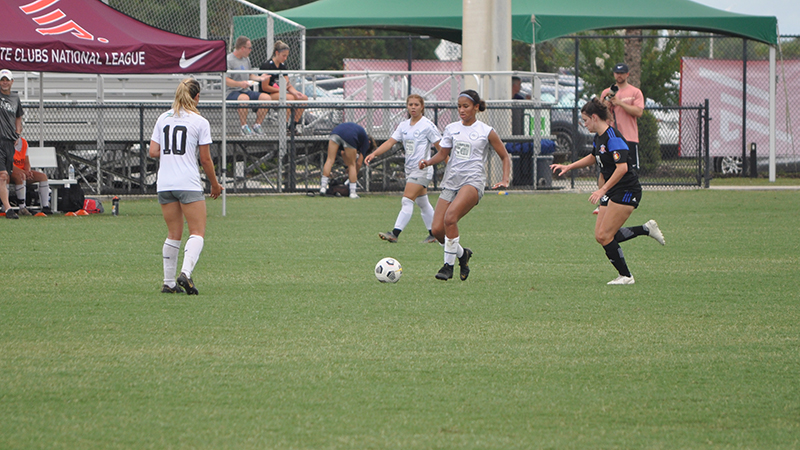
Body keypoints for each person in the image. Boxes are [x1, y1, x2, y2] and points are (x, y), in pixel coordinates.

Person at [550, 97, 665, 285]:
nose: (584, 124)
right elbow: (593, 156)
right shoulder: (600, 137)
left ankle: (626, 276)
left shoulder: (613, 138)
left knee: (605, 235)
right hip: (614, 190)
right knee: (601, 235)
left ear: (595, 117)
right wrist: (569, 167)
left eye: (585, 120)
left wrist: (601, 190)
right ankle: (645, 229)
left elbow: (622, 168)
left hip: (627, 190)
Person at [417, 90, 510, 281]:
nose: (461, 110)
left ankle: (447, 267)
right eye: (459, 106)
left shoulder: (486, 131)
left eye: (465, 106)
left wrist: (505, 179)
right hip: (451, 181)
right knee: (437, 230)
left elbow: (504, 156)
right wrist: (428, 161)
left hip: (473, 181)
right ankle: (462, 255)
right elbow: (443, 154)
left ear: (476, 107)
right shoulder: (451, 128)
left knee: (450, 218)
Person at [149, 78, 223, 295]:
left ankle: (168, 282)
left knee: (173, 233)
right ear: (197, 97)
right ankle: (186, 273)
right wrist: (215, 184)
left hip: (165, 183)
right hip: (187, 181)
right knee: (197, 232)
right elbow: (206, 160)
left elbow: (153, 151)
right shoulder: (200, 122)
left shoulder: (163, 118)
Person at [365, 94, 442, 244]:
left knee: (407, 200)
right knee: (422, 203)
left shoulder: (427, 125)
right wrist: (374, 153)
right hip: (410, 169)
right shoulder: (403, 125)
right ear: (407, 106)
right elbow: (390, 143)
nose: (413, 107)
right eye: (410, 104)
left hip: (423, 169)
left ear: (422, 107)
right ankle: (434, 234)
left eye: (416, 105)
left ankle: (394, 233)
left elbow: (441, 148)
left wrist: (450, 166)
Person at [226, 36, 272, 136]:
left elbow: (249, 75)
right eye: (249, 48)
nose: (250, 50)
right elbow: (226, 80)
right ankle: (244, 127)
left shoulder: (246, 59)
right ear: (242, 48)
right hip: (231, 92)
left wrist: (260, 78)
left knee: (266, 97)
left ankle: (257, 125)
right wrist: (240, 84)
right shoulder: (228, 60)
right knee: (244, 98)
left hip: (245, 90)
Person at [600, 63, 644, 169]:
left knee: (630, 169)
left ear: (627, 74)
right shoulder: (608, 92)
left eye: (622, 73)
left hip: (629, 137)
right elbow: (600, 113)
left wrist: (620, 103)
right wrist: (607, 103)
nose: (619, 75)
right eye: (617, 73)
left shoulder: (635, 92)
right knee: (610, 169)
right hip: (610, 138)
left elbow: (638, 112)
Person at [259, 40, 308, 134]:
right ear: (277, 53)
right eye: (283, 55)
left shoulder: (282, 66)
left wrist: (295, 92)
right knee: (288, 98)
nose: (285, 58)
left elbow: (287, 84)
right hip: (268, 94)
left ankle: (293, 126)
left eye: (287, 56)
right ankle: (283, 126)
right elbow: (265, 87)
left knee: (303, 98)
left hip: (279, 92)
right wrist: (280, 90)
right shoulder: (267, 66)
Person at [320, 122, 375, 199]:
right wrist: (353, 173)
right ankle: (352, 192)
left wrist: (348, 167)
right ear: (369, 143)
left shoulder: (359, 133)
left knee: (330, 160)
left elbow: (343, 153)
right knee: (352, 164)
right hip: (349, 136)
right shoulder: (366, 141)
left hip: (336, 132)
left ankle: (323, 187)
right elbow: (358, 163)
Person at [0, 69, 22, 219]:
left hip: (9, 141)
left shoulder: (15, 98)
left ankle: (4, 204)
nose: (4, 82)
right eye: (2, 79)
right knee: (2, 175)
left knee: (5, 176)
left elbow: (18, 117)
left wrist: (18, 133)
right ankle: (8, 208)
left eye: (7, 79)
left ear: (12, 81)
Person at [11, 137, 52, 215]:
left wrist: (28, 171)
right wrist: (23, 172)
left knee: (43, 177)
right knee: (21, 176)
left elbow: (26, 161)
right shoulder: (6, 142)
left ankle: (45, 207)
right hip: (11, 172)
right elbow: (8, 164)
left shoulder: (23, 142)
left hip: (22, 172)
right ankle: (22, 207)